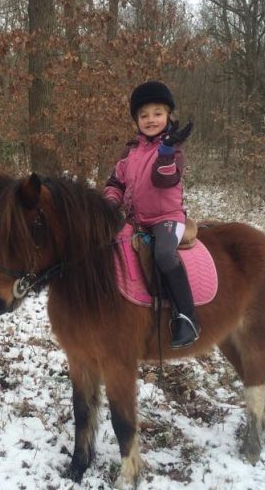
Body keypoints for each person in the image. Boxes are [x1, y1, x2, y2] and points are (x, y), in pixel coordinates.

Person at [103, 80, 199, 348]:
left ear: (168, 115)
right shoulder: (130, 151)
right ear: (136, 120)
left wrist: (167, 152)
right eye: (143, 115)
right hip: (136, 220)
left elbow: (163, 180)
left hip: (167, 219)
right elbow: (116, 183)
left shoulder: (173, 149)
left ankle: (187, 318)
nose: (150, 119)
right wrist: (110, 204)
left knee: (164, 254)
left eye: (157, 113)